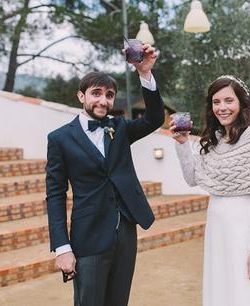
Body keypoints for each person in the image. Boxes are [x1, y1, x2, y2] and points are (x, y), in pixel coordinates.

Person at [45, 44, 164, 306]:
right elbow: (55, 195)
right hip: (88, 236)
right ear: (81, 96)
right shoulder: (59, 139)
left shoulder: (119, 128)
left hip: (126, 233)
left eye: (109, 95)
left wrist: (145, 73)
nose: (103, 100)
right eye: (96, 93)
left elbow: (155, 118)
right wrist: (62, 248)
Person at [171, 75, 250, 306]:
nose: (222, 107)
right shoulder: (213, 140)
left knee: (245, 292)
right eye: (216, 102)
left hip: (244, 227)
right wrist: (181, 144)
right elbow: (191, 178)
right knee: (220, 290)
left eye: (229, 100)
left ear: (241, 102)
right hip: (216, 226)